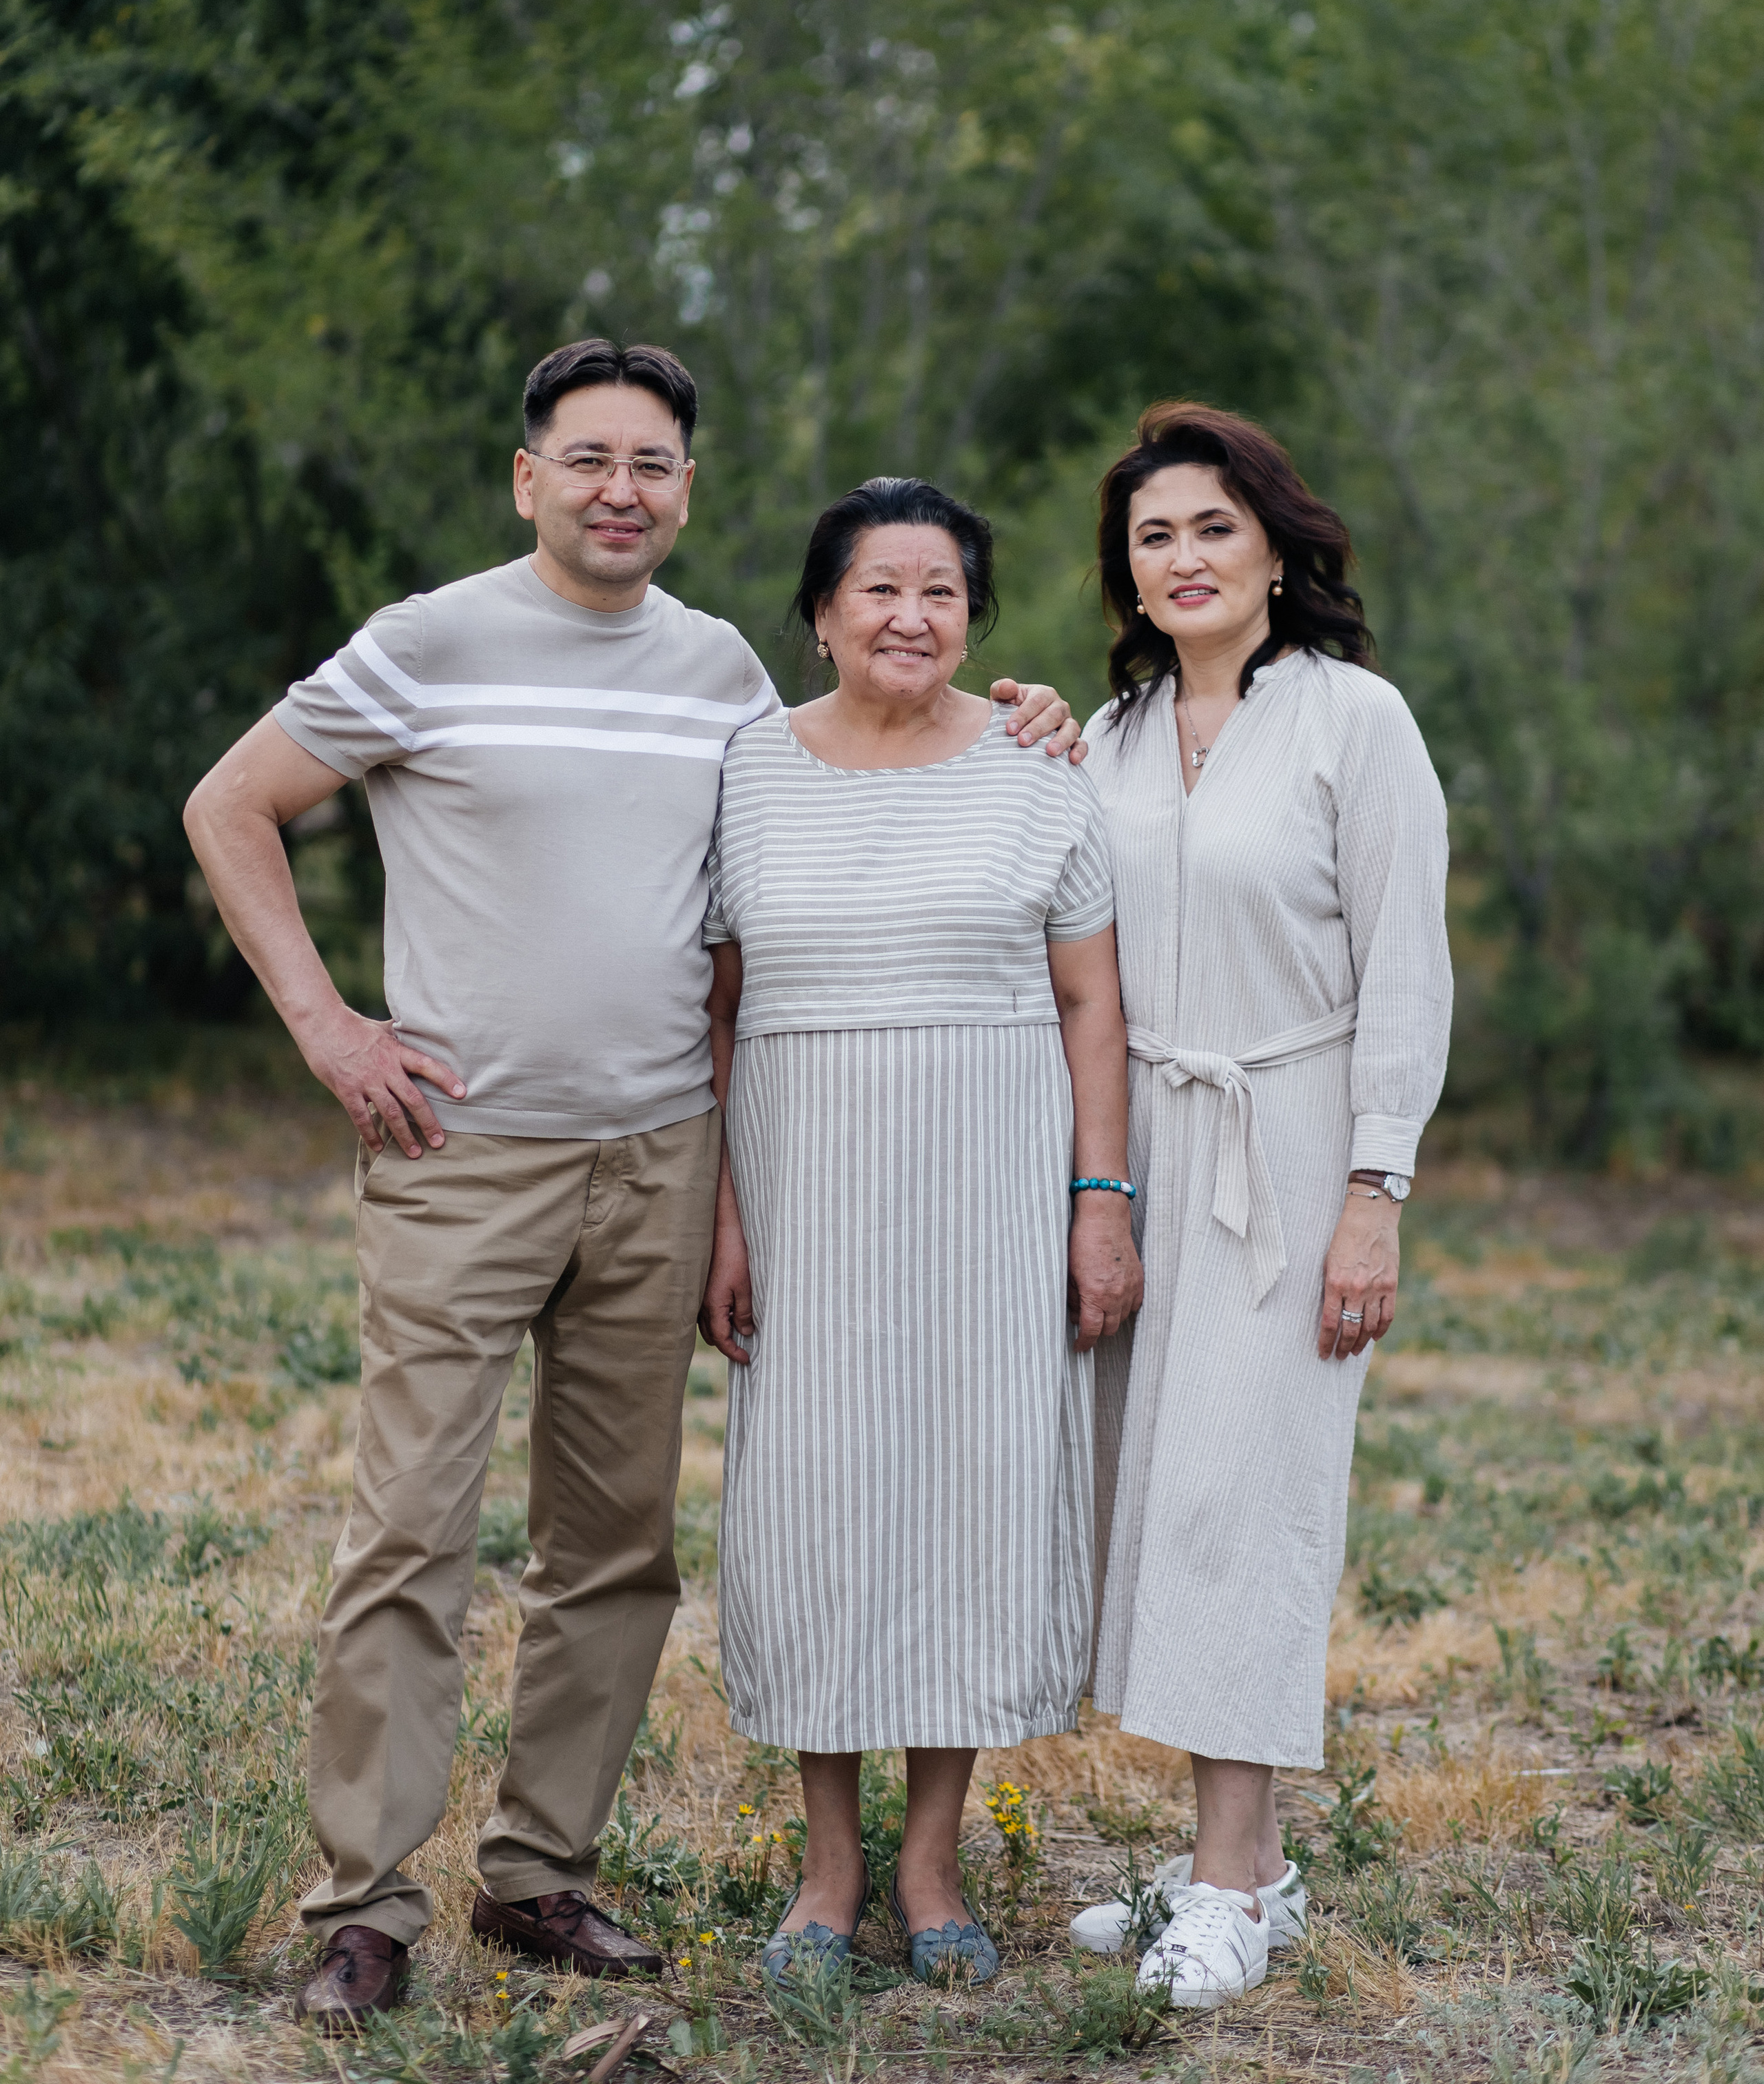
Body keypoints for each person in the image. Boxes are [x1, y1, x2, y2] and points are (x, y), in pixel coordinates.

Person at [181, 340, 1080, 2030]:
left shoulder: (721, 671)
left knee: (611, 1551)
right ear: (528, 479)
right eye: (587, 458)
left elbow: (853, 778)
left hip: (662, 1152)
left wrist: (1019, 707)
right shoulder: (427, 642)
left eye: (653, 464)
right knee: (410, 1534)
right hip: (463, 1153)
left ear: (685, 489)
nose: (620, 489)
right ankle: (363, 1905)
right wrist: (327, 1026)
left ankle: (541, 1877)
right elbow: (232, 807)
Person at [697, 477, 1140, 1988]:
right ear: (819, 614)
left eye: (941, 591)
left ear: (974, 620)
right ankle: (825, 1876)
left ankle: (932, 1862)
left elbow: (1092, 1004)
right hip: (806, 1186)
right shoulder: (744, 771)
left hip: (991, 1190)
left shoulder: (1035, 768)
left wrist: (1099, 1204)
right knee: (815, 1511)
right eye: (878, 587)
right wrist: (723, 1217)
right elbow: (718, 1007)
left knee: (964, 1502)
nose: (909, 615)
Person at [1067, 402, 1450, 2010]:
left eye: (1211, 527)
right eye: (1152, 535)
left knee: (1243, 1504)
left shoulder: (1351, 721)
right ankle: (1249, 1870)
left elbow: (1405, 966)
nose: (1182, 558)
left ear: (1278, 550)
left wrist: (1374, 1188)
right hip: (1133, 1131)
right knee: (1151, 1504)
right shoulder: (1106, 738)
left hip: (1283, 1143)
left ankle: (1227, 1887)